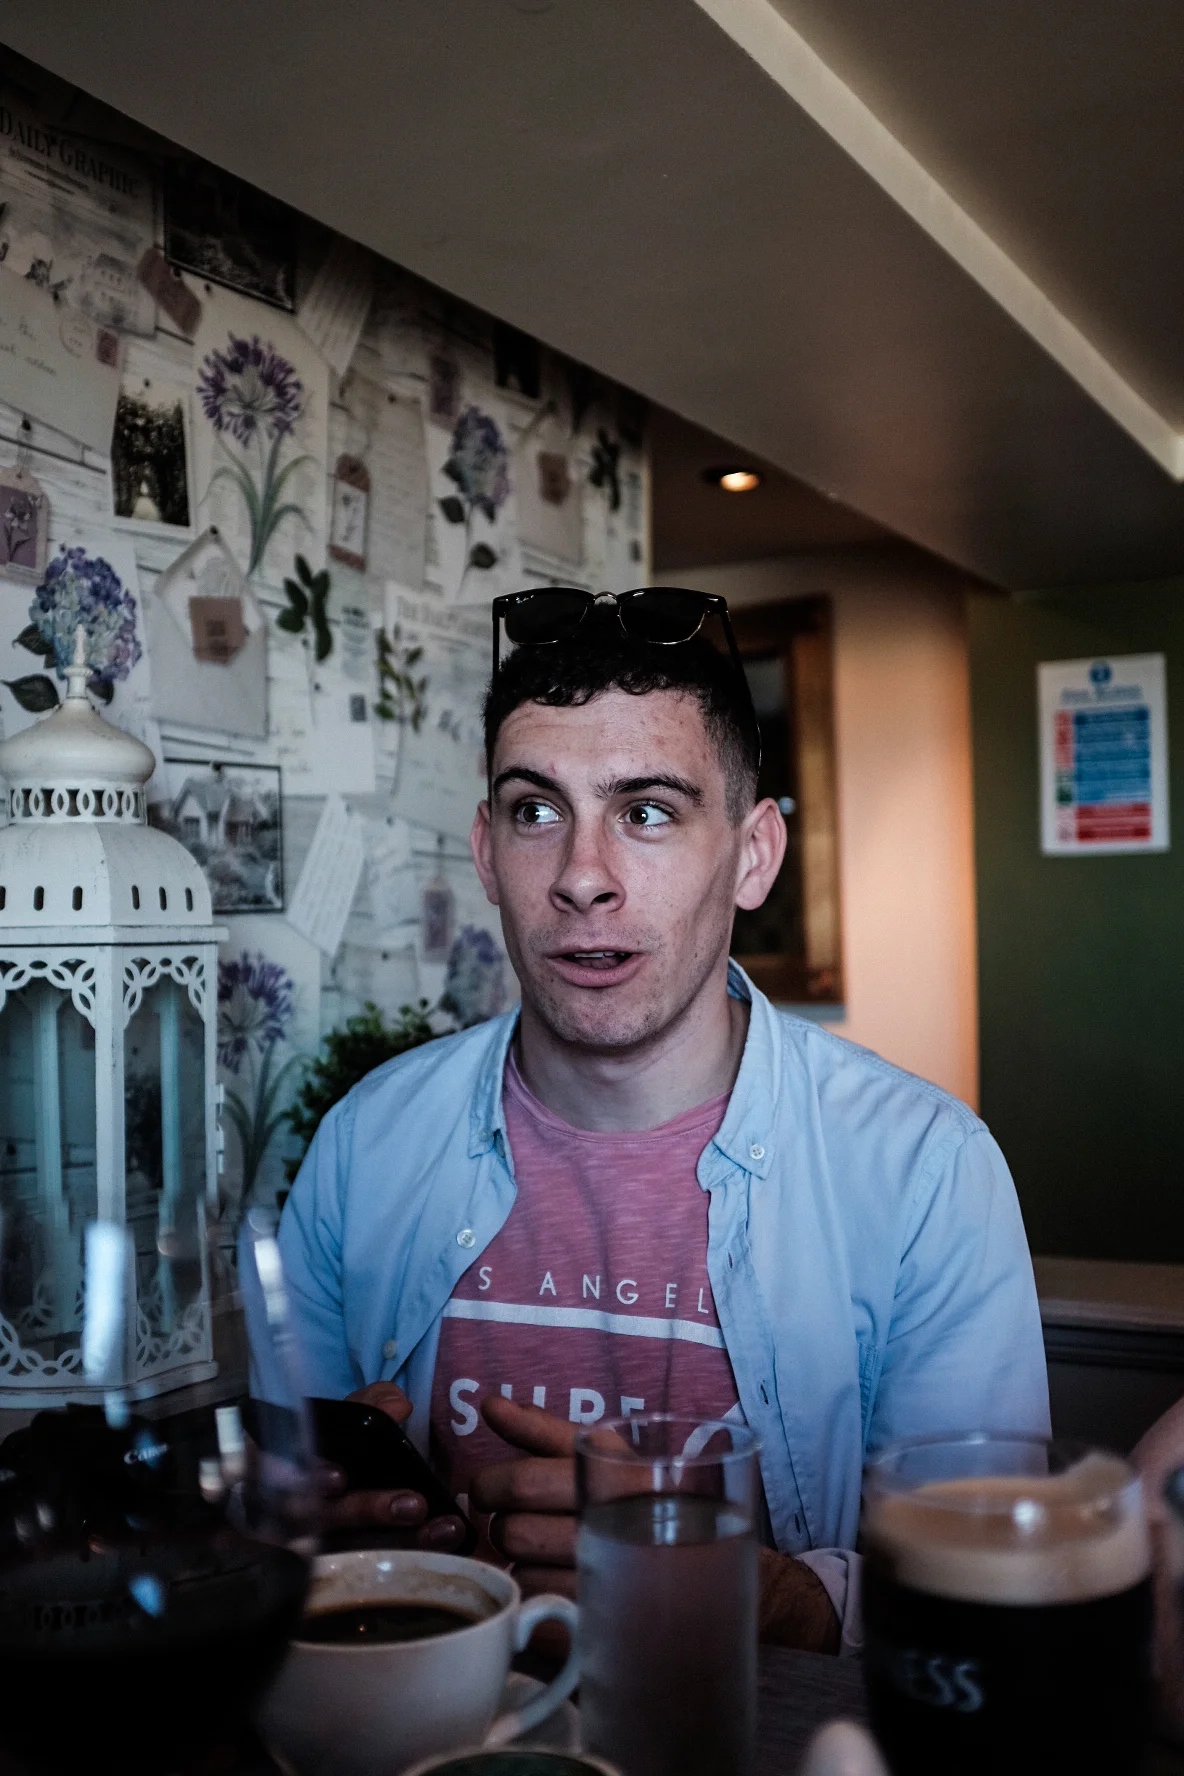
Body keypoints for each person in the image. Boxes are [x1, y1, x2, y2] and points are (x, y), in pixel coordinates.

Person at [271, 587, 1050, 1653]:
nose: (582, 879)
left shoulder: (923, 1172)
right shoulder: (366, 1148)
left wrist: (761, 1591)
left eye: (646, 812)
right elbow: (276, 1520)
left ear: (753, 855)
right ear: (487, 853)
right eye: (536, 811)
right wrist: (307, 1536)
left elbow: (993, 1596)